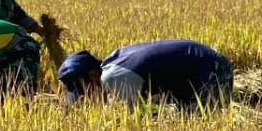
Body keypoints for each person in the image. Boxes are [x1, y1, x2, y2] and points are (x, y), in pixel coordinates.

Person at [57, 40, 232, 113]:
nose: (87, 99)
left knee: (201, 128)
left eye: (83, 92)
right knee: (185, 123)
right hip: (194, 74)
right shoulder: (112, 65)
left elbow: (134, 124)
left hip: (211, 69)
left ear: (94, 75)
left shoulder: (113, 78)